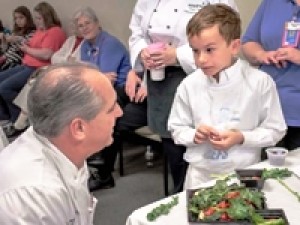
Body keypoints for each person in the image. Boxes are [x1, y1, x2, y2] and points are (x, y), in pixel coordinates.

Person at [167, 3, 287, 189]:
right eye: (195, 50)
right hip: (200, 175)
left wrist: (241, 137)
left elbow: (275, 130)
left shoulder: (259, 83)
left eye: (209, 49)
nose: (201, 60)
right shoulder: (189, 85)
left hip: (244, 174)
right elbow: (176, 128)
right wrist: (194, 135)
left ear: (234, 46)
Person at [129, 0, 238, 193]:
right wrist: (142, 52)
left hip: (199, 74)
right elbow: (136, 32)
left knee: (203, 139)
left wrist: (177, 55)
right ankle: (181, 193)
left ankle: (208, 195)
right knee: (172, 142)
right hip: (159, 77)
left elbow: (226, 37)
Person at [0, 62, 123, 224]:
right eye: (111, 108)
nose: (120, 112)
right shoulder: (36, 193)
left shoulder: (64, 148)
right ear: (78, 128)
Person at [73, 7, 131, 191]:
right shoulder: (84, 46)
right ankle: (88, 158)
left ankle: (104, 174)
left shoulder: (110, 43)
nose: (84, 28)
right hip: (100, 90)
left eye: (87, 23)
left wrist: (95, 77)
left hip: (121, 90)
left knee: (103, 117)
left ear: (97, 23)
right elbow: (91, 75)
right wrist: (96, 76)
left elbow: (109, 79)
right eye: (80, 26)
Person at [242, 0, 300, 151]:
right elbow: (248, 43)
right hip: (267, 109)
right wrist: (262, 54)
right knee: (266, 171)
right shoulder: (271, 3)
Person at [0, 1, 66, 127]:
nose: (36, 21)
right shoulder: (40, 30)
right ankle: (4, 117)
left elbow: (47, 54)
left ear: (47, 17)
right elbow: (32, 44)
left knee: (4, 88)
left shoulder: (55, 31)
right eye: (35, 18)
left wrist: (26, 49)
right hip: (26, 64)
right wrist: (21, 42)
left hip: (37, 68)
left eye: (39, 18)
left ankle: (19, 119)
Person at [0, 6, 36, 71]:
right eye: (16, 18)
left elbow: (27, 46)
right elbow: (5, 50)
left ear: (28, 18)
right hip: (6, 60)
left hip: (15, 62)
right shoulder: (16, 31)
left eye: (21, 17)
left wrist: (18, 39)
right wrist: (4, 41)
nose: (18, 20)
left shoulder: (33, 32)